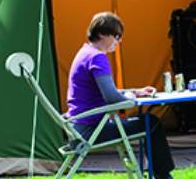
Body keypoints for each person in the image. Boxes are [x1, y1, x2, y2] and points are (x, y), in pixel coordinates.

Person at [66, 12, 175, 179]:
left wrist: (135, 92)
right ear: (102, 33)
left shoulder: (85, 52)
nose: (119, 41)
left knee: (147, 122)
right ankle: (164, 177)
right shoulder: (98, 57)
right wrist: (132, 100)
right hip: (90, 132)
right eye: (117, 36)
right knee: (152, 123)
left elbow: (107, 91)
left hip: (77, 129)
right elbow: (111, 97)